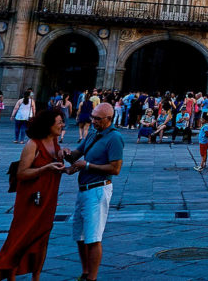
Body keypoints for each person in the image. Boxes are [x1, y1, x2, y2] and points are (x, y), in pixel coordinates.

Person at [0, 108, 66, 281]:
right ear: (48, 125)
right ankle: (11, 275)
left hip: (48, 198)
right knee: (21, 237)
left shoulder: (55, 142)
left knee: (42, 238)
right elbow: (22, 173)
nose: (62, 125)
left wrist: (64, 163)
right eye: (59, 122)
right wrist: (46, 168)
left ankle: (36, 277)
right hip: (31, 200)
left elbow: (55, 167)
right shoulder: (33, 144)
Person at [62, 102, 123, 281]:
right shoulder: (93, 133)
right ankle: (85, 272)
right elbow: (77, 154)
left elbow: (116, 168)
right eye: (93, 117)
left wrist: (87, 165)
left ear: (109, 119)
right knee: (80, 236)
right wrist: (65, 153)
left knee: (93, 236)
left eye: (98, 118)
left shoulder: (115, 138)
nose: (94, 121)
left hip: (98, 190)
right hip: (83, 189)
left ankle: (92, 278)